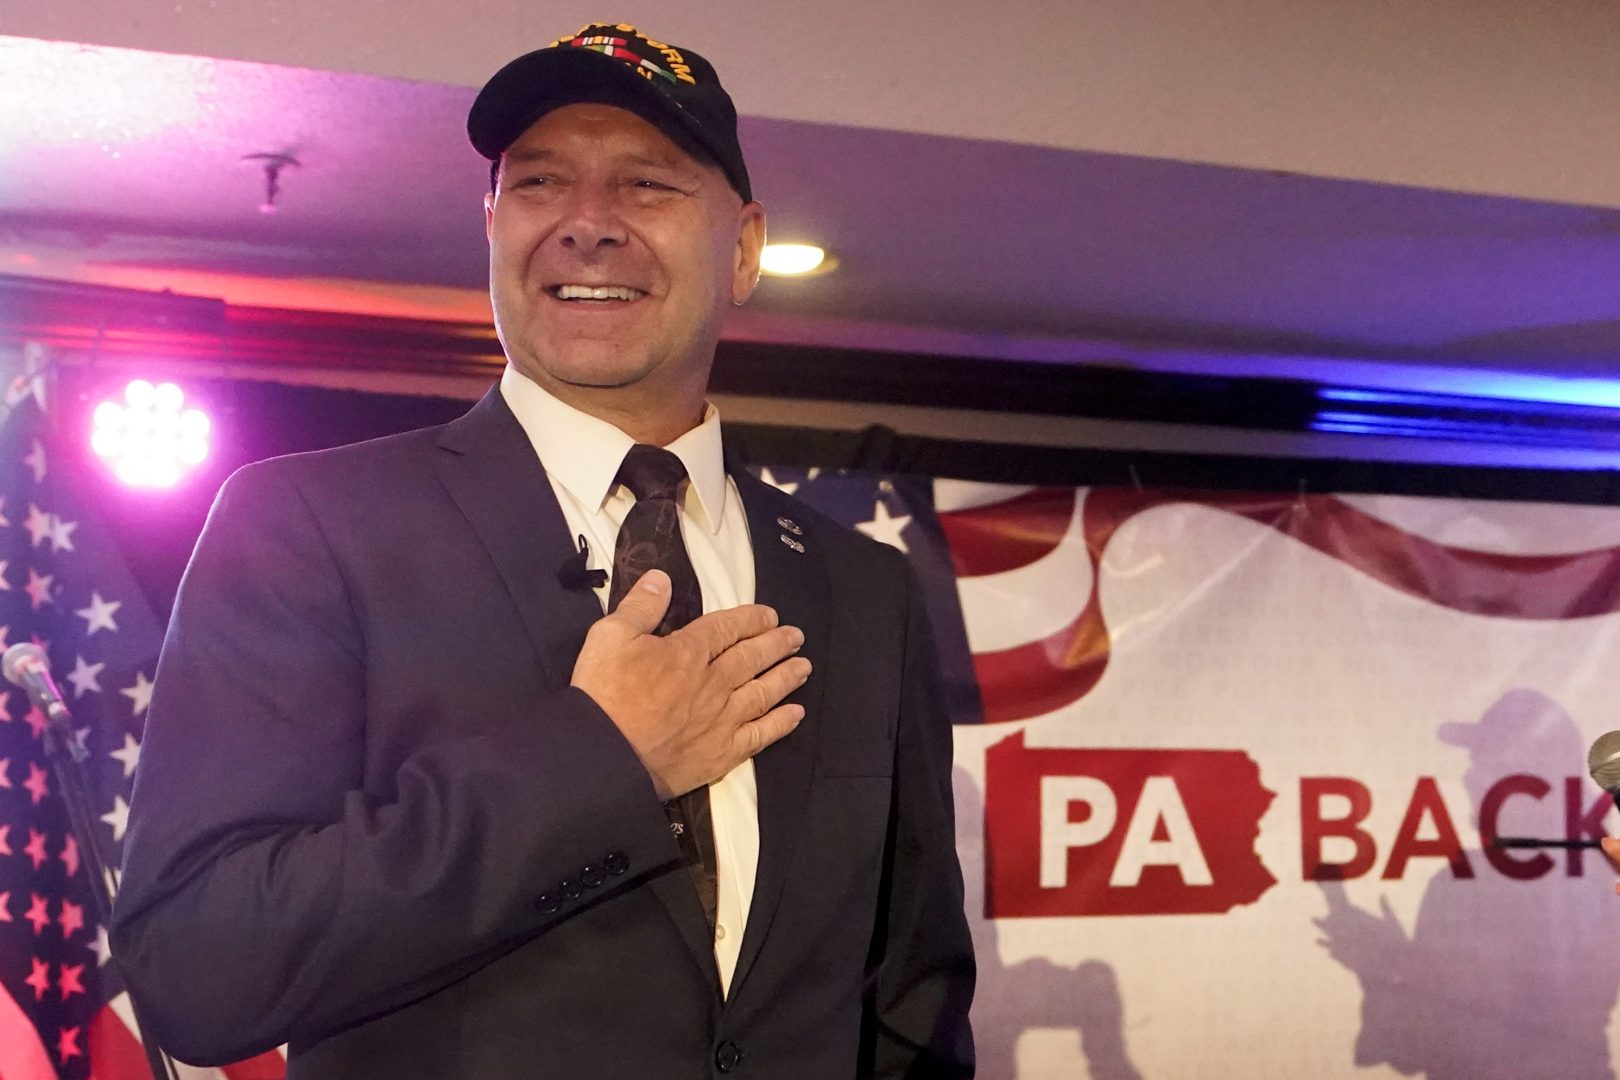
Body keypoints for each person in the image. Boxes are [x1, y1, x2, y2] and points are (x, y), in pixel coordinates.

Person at [110, 22, 975, 1080]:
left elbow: (913, 1009)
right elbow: (200, 967)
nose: (587, 225)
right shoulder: (310, 526)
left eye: (647, 185)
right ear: (491, 221)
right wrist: (600, 758)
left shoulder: (862, 588)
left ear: (744, 245)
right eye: (541, 183)